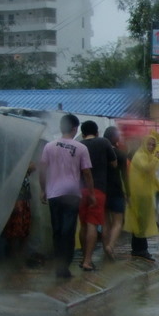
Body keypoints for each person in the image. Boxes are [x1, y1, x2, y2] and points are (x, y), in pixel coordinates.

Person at [39, 113, 94, 279]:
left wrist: (43, 189)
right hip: (71, 194)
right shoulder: (81, 148)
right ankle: (64, 266)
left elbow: (42, 170)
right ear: (75, 128)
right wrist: (91, 194)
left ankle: (59, 266)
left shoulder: (49, 146)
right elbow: (87, 173)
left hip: (53, 194)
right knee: (68, 231)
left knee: (57, 230)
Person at [78, 121, 117, 271]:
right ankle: (88, 261)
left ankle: (83, 257)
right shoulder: (104, 142)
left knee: (82, 225)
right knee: (92, 224)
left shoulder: (80, 145)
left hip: (81, 189)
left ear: (82, 133)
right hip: (98, 189)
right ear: (97, 132)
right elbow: (113, 163)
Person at [124, 133, 159, 261]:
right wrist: (156, 159)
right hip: (138, 195)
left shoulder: (148, 156)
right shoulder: (140, 156)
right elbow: (146, 169)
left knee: (142, 222)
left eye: (153, 144)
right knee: (140, 222)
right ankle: (140, 249)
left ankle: (139, 249)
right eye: (149, 144)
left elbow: (153, 177)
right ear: (143, 144)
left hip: (145, 195)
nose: (151, 146)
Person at [102, 126, 128, 261]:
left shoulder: (100, 153)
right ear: (115, 138)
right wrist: (128, 192)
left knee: (105, 222)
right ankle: (111, 246)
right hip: (116, 190)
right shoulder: (120, 154)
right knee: (118, 222)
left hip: (102, 190)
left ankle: (105, 247)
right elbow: (125, 176)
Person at [3, 162, 35, 266]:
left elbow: (33, 167)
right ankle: (14, 256)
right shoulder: (15, 169)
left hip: (25, 200)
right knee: (15, 230)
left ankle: (20, 255)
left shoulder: (25, 171)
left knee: (24, 230)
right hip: (17, 200)